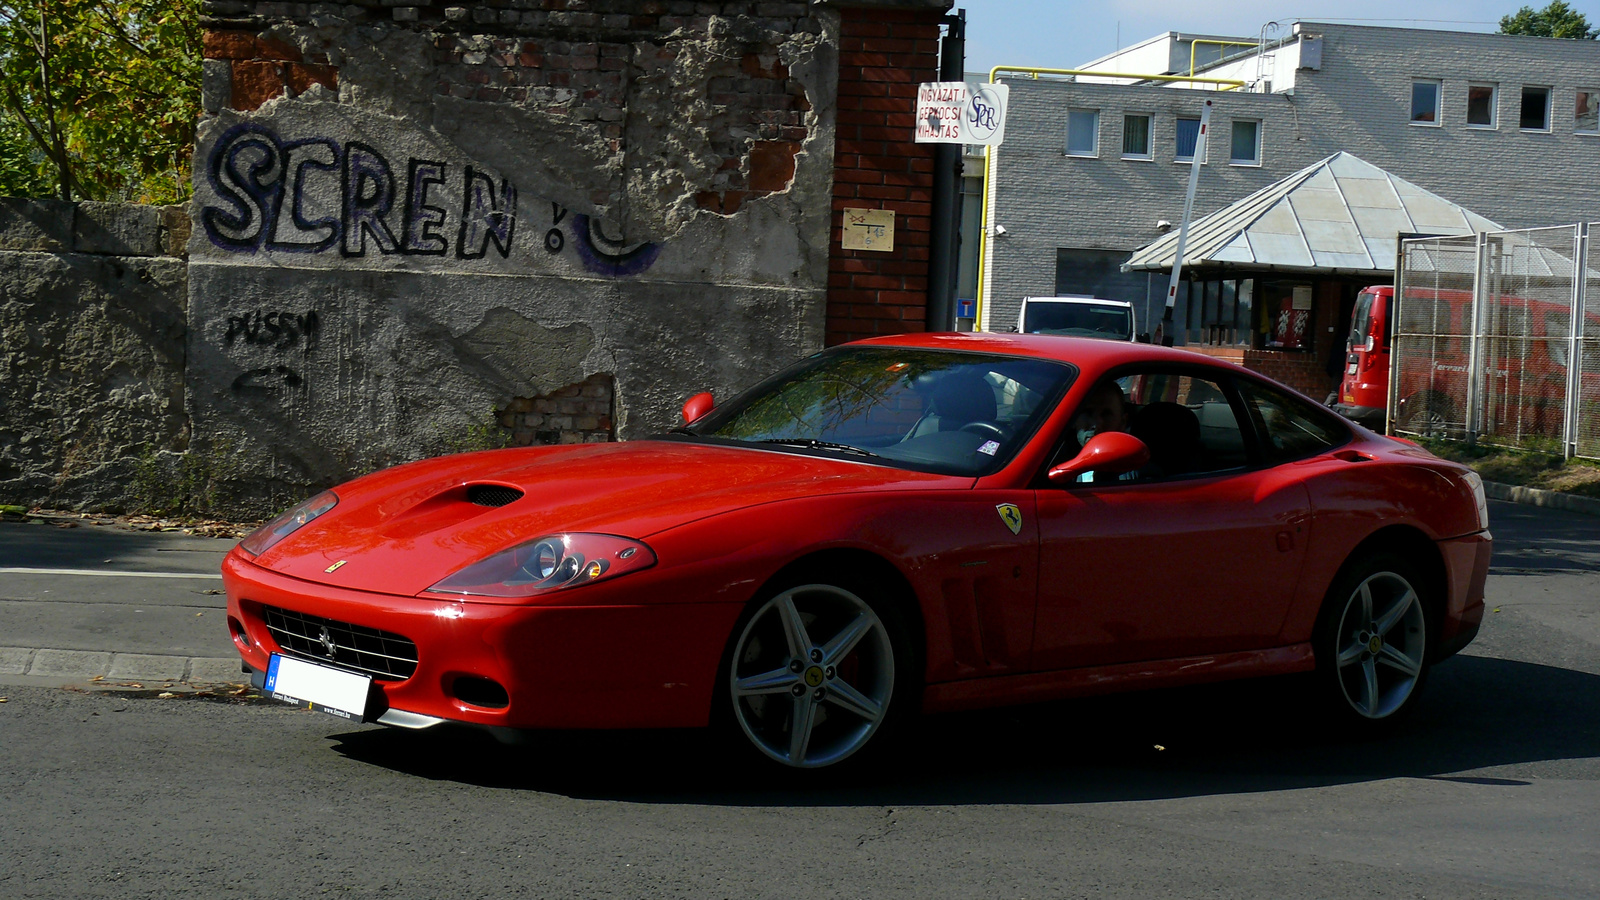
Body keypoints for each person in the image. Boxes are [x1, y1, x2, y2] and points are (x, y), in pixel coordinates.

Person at [1067, 380, 1137, 483]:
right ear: (1073, 419)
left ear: (1123, 422)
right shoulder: (1050, 467)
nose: (1096, 424)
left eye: (1106, 414)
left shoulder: (1138, 476)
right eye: (1088, 412)